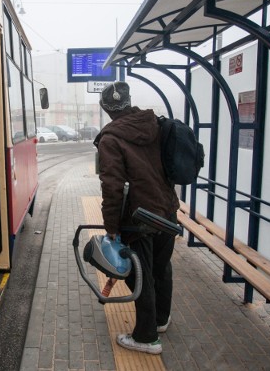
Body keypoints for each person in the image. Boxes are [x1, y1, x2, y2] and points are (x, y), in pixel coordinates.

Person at [93, 81, 180, 355]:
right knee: (161, 267)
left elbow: (112, 187)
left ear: (107, 109)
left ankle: (146, 337)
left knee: (139, 277)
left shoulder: (111, 139)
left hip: (140, 218)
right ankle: (160, 319)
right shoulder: (154, 124)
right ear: (128, 102)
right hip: (168, 210)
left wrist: (111, 229)